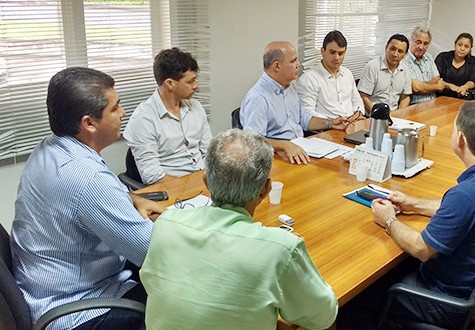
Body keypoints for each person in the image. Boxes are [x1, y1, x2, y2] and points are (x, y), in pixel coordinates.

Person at [10, 67, 165, 329]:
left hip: (44, 288)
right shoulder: (87, 178)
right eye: (115, 108)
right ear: (89, 123)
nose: (123, 112)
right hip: (77, 309)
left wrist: (128, 198)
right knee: (189, 295)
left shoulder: (50, 148)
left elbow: (77, 199)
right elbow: (154, 254)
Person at [140, 129, 338, 329]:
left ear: (206, 181)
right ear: (266, 189)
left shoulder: (166, 224)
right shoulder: (280, 249)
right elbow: (324, 316)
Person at [368, 101, 475, 327]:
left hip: (447, 302)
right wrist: (413, 204)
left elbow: (420, 249)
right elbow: (468, 211)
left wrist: (388, 220)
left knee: (360, 297)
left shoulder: (466, 196)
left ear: (461, 139)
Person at [241, 41, 348, 165]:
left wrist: (331, 123)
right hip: (277, 159)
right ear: (277, 66)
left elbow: (303, 120)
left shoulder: (289, 87)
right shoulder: (258, 97)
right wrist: (284, 145)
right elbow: (252, 142)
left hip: (300, 151)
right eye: (293, 61)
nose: (298, 65)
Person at [124, 47, 213, 185]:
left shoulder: (196, 107)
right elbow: (152, 176)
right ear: (170, 84)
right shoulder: (143, 119)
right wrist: (191, 186)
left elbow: (209, 153)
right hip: (173, 188)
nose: (196, 86)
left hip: (204, 181)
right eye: (190, 81)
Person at [296, 30, 364, 118]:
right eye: (332, 52)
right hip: (327, 128)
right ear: (322, 51)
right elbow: (306, 113)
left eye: (341, 53)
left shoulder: (347, 73)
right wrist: (333, 122)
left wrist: (357, 115)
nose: (336, 58)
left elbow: (357, 101)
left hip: (352, 124)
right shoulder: (309, 78)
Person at [358, 34, 412, 111]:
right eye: (392, 49)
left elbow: (405, 97)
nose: (395, 54)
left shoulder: (405, 70)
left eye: (400, 51)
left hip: (395, 115)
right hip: (373, 116)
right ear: (386, 48)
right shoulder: (372, 67)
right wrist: (377, 115)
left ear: (405, 55)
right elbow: (363, 96)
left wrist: (400, 114)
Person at [401, 26, 444, 104]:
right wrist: (437, 86)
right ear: (410, 41)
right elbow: (416, 88)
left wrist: (424, 85)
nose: (421, 47)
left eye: (425, 43)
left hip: (433, 103)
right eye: (418, 42)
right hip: (414, 106)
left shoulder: (428, 56)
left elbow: (437, 78)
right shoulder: (403, 59)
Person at [435, 32, 475, 99]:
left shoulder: (473, 61)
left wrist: (465, 87)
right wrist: (450, 86)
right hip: (442, 97)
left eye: (466, 46)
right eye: (460, 45)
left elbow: (472, 80)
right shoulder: (443, 57)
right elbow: (436, 79)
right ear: (455, 44)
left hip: (463, 98)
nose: (462, 49)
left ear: (470, 48)